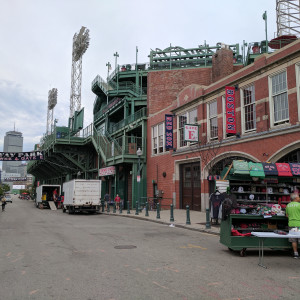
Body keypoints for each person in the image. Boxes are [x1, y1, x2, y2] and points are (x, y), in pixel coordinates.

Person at [285, 193, 300, 258]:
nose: (299, 198)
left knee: (293, 240)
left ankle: (295, 253)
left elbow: (287, 215)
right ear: (295, 198)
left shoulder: (288, 205)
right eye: (299, 197)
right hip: (299, 224)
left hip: (291, 224)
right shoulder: (299, 205)